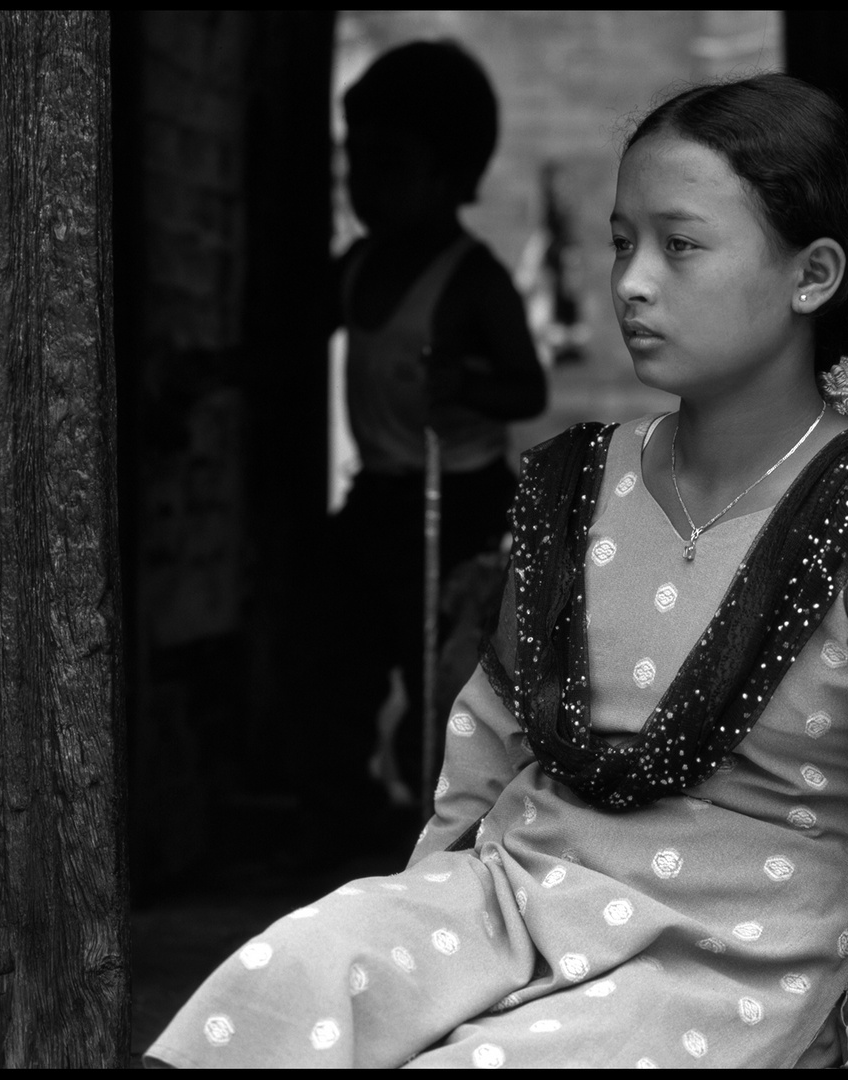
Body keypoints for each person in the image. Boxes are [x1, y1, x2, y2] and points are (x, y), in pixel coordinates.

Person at [146, 73, 848, 1069]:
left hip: (716, 966)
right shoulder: (579, 484)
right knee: (292, 971)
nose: (632, 281)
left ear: (813, 275)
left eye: (680, 244)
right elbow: (485, 737)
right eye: (622, 241)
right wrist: (417, 930)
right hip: (515, 899)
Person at [305, 40, 547, 843]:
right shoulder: (356, 267)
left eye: (388, 160)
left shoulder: (472, 278)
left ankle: (450, 826)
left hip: (462, 500)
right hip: (378, 494)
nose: (362, 178)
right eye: (355, 158)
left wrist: (467, 386)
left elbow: (528, 388)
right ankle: (343, 817)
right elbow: (287, 342)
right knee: (338, 655)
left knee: (446, 669)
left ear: (448, 171)